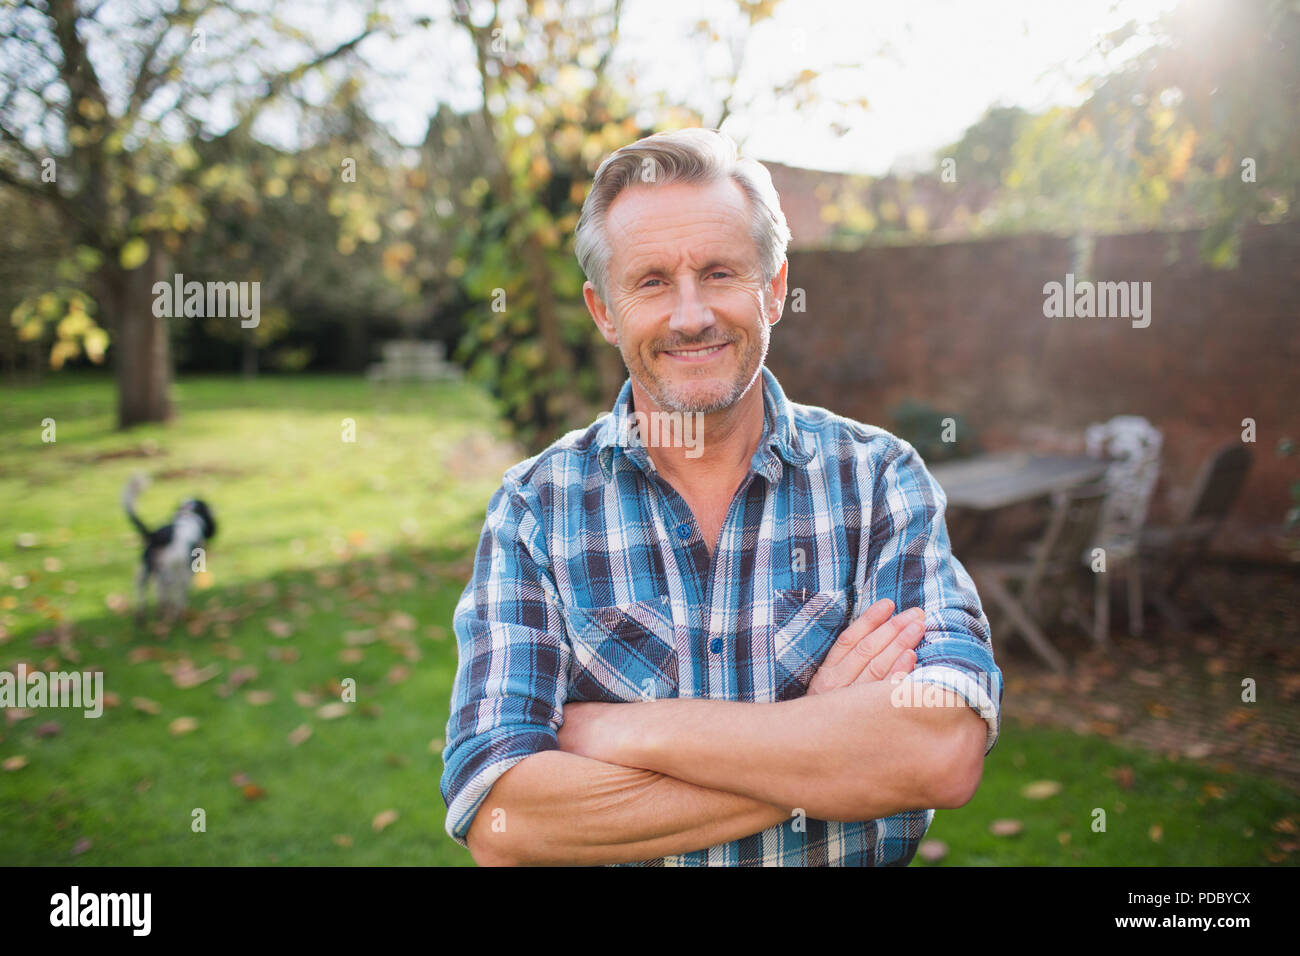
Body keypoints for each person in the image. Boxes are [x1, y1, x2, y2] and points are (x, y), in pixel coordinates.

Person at [441, 127, 1002, 866]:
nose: (691, 314)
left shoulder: (878, 481)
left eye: (719, 273)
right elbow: (504, 817)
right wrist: (829, 742)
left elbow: (941, 749)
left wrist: (636, 730)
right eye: (650, 282)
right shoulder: (535, 511)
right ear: (604, 310)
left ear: (772, 289)